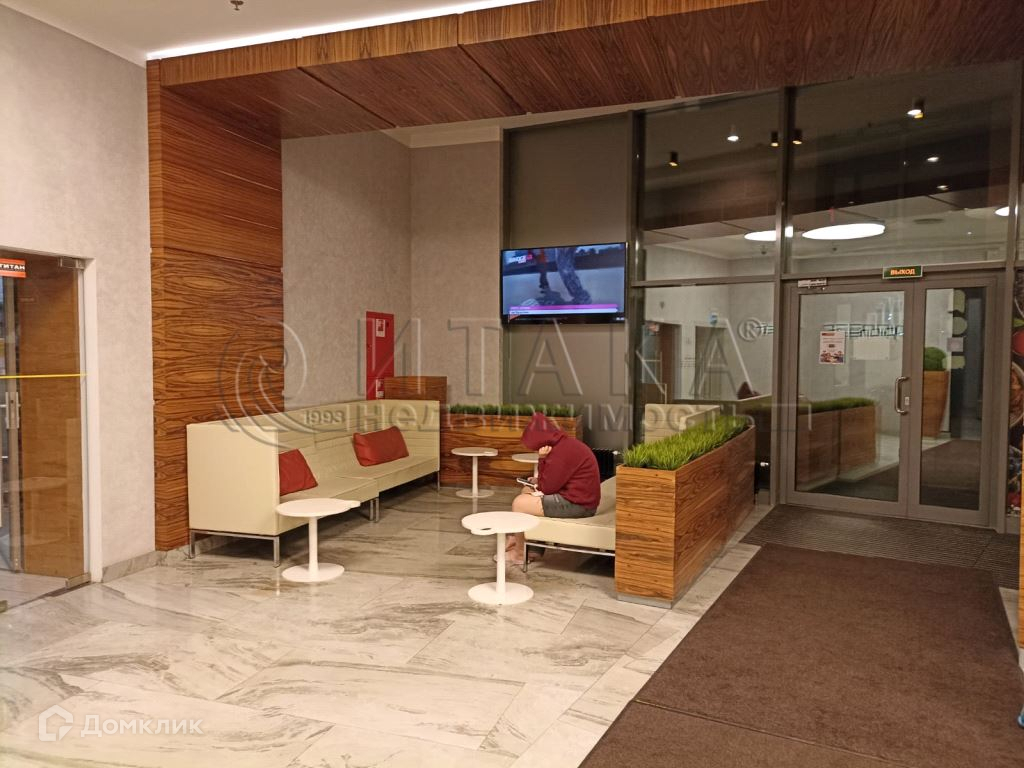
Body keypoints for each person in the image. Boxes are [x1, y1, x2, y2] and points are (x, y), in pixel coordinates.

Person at [506, 412, 601, 564]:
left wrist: (542, 459)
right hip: (578, 498)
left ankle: (519, 553)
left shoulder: (560, 452)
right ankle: (531, 547)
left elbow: (547, 488)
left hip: (579, 505)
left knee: (519, 504)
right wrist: (538, 481)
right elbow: (555, 479)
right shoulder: (563, 444)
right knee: (526, 491)